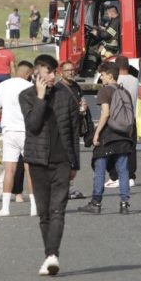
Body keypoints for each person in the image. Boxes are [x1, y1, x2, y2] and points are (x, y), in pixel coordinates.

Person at [20, 54, 81, 276]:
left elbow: (74, 131)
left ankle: (53, 254)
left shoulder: (66, 95)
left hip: (62, 162)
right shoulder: (25, 96)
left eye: (54, 71)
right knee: (44, 213)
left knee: (58, 210)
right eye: (48, 72)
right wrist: (40, 97)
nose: (53, 76)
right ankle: (49, 256)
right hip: (37, 162)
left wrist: (75, 163)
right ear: (37, 74)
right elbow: (33, 125)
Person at [84, 63, 136, 214]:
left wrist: (97, 133)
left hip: (108, 136)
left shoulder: (105, 91)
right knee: (123, 171)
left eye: (103, 74)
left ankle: (96, 202)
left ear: (110, 75)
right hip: (123, 136)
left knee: (100, 168)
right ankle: (124, 203)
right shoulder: (123, 91)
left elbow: (105, 114)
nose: (101, 77)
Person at [0, 60, 35, 217]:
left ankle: (5, 208)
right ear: (28, 73)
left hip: (9, 131)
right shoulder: (30, 87)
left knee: (9, 170)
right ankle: (34, 207)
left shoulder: (3, 86)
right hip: (26, 131)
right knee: (30, 168)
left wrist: (6, 108)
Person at [106, 56, 141, 188]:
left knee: (114, 147)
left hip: (116, 119)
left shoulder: (114, 81)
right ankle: (131, 175)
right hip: (130, 118)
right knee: (131, 148)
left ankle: (115, 175)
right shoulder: (135, 80)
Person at [59, 61, 90, 200]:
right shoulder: (58, 88)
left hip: (75, 128)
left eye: (72, 70)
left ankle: (69, 187)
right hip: (62, 130)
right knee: (66, 160)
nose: (71, 72)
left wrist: (83, 108)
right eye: (67, 70)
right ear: (61, 72)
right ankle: (63, 189)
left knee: (74, 162)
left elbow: (81, 102)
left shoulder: (76, 86)